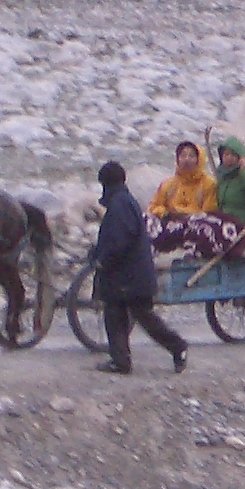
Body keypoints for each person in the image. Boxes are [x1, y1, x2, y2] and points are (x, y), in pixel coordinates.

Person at [89, 160, 187, 376]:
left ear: (105, 183)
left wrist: (102, 259)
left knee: (120, 316)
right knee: (138, 316)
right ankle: (169, 348)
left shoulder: (118, 205)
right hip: (135, 274)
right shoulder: (125, 201)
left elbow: (118, 241)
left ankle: (127, 360)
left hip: (127, 276)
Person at [147, 141, 233, 258]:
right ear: (177, 159)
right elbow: (153, 206)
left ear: (198, 160)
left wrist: (186, 215)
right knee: (146, 219)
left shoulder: (208, 184)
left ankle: (191, 256)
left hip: (193, 226)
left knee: (203, 227)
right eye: (183, 156)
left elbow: (209, 212)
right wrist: (166, 213)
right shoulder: (168, 184)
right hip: (170, 224)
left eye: (191, 156)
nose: (186, 159)